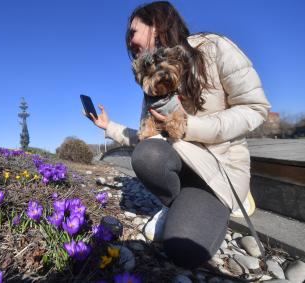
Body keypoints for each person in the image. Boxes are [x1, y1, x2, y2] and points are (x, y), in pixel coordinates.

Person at [85, 1, 271, 269]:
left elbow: (256, 108)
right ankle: (177, 204)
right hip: (181, 166)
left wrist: (188, 127)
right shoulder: (153, 87)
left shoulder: (213, 47)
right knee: (147, 154)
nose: (129, 42)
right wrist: (108, 127)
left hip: (218, 168)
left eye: (133, 32)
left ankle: (230, 197)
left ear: (156, 25)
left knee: (184, 250)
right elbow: (145, 136)